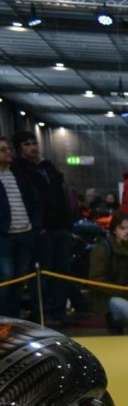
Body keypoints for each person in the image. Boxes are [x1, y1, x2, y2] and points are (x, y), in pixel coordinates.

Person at [14, 130, 73, 325]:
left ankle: (59, 311)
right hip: (41, 229)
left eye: (34, 143)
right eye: (27, 144)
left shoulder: (49, 167)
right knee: (42, 275)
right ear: (19, 148)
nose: (32, 147)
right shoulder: (19, 170)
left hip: (61, 226)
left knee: (61, 272)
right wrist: (37, 225)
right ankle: (43, 313)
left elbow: (62, 193)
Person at [0, 136, 40, 319]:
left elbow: (32, 200)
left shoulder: (18, 174)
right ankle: (3, 318)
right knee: (6, 277)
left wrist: (34, 225)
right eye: (3, 150)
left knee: (20, 278)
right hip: (4, 236)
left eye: (8, 149)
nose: (8, 152)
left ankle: (14, 318)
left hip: (25, 232)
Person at [88, 212, 128, 334]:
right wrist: (127, 296)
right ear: (114, 230)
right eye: (122, 228)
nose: (127, 232)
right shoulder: (102, 248)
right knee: (127, 310)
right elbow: (96, 281)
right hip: (105, 297)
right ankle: (113, 325)